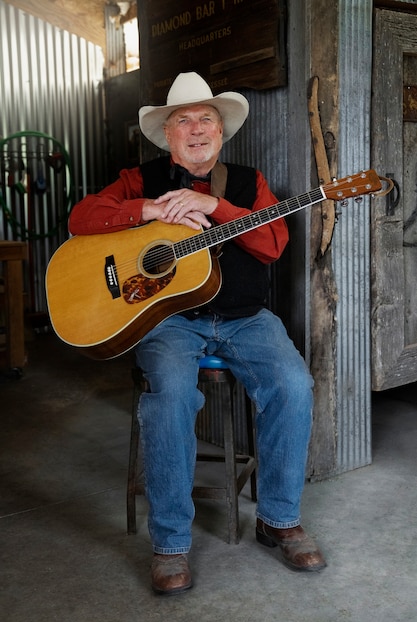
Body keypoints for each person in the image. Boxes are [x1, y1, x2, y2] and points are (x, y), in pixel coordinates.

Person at [68, 72, 326, 595]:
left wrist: (217, 208)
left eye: (205, 117)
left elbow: (273, 244)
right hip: (169, 322)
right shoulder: (139, 179)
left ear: (221, 131)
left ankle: (277, 518)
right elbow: (81, 217)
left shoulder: (251, 183)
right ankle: (170, 544)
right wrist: (146, 211)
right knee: (169, 399)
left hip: (246, 319)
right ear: (167, 134)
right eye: (182, 119)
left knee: (294, 385)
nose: (195, 128)